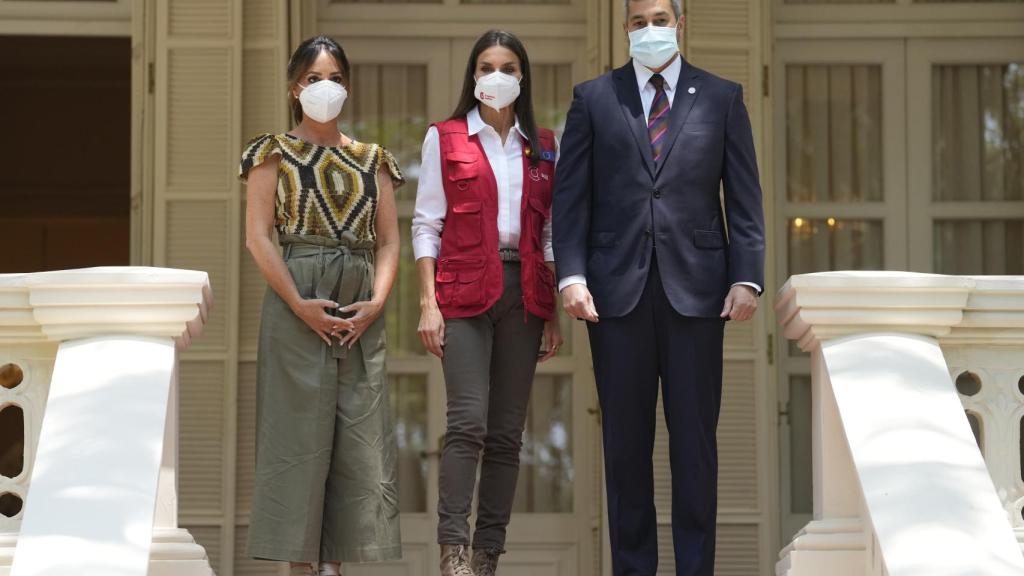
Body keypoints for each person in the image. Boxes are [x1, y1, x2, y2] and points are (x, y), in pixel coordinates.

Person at [552, 0, 765, 573]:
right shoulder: (594, 98)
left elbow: (743, 198)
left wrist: (747, 276)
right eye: (639, 22)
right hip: (614, 296)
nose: (650, 30)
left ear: (680, 24)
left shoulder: (722, 97)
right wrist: (570, 275)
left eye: (660, 20)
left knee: (695, 446)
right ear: (625, 29)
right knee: (625, 449)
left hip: (698, 294)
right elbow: (569, 199)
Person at [239, 35, 403, 576]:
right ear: (294, 87)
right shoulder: (271, 152)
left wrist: (377, 303)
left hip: (358, 307)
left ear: (347, 87)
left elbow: (389, 242)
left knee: (359, 433)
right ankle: (301, 566)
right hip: (296, 300)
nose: (324, 87)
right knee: (295, 433)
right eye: (314, 79)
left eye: (334, 78)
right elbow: (259, 238)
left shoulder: (374, 160)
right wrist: (299, 303)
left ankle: (337, 564)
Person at [412, 29, 563, 576]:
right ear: (473, 78)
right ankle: (452, 550)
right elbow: (427, 224)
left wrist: (552, 307)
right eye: (484, 67)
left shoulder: (544, 144)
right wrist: (428, 303)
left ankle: (486, 557)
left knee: (506, 433)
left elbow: (548, 232)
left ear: (522, 77)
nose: (495, 76)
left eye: (506, 66)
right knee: (468, 422)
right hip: (463, 292)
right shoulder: (446, 137)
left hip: (525, 294)